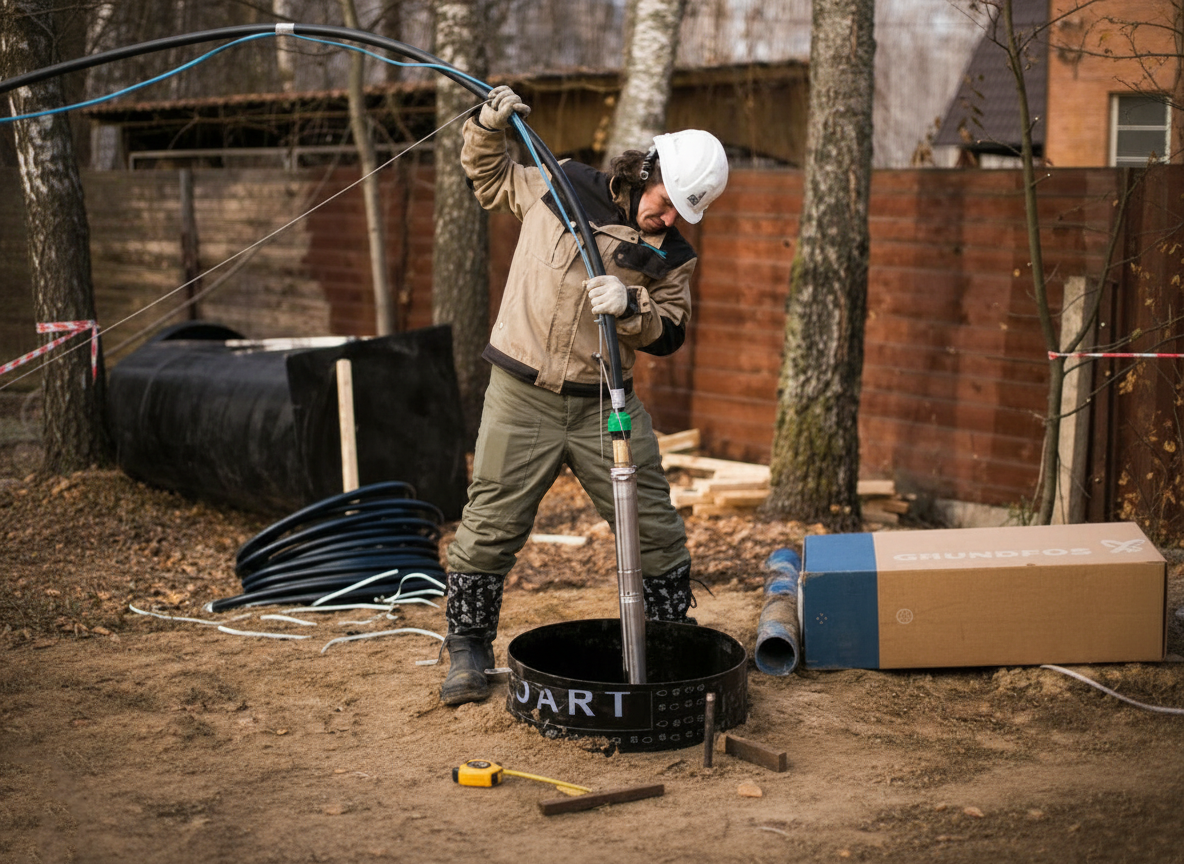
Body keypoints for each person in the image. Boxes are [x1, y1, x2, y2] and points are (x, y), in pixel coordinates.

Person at [440, 85, 729, 706]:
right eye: (667, 202)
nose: (670, 218)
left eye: (683, 211)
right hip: (522, 392)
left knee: (654, 529)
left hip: (607, 404)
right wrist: (488, 127)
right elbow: (489, 180)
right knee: (491, 524)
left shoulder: (672, 252)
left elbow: (671, 330)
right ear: (647, 171)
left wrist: (632, 305)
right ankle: (466, 646)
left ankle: (670, 636)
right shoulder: (564, 183)